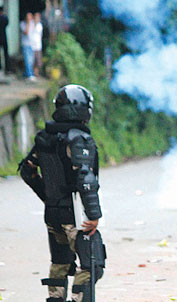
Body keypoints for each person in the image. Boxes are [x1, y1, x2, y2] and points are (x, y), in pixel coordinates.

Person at [19, 85, 106, 302]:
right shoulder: (78, 139)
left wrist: (49, 196)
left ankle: (56, 299)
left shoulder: (45, 137)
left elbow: (27, 171)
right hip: (74, 215)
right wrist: (94, 215)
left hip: (53, 214)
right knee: (92, 264)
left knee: (60, 262)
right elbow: (85, 178)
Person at [20, 12, 35, 81]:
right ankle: (29, 75)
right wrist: (28, 23)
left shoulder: (33, 23)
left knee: (31, 60)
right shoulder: (23, 24)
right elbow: (26, 32)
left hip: (32, 44)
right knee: (27, 60)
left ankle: (27, 73)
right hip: (25, 44)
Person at [32, 12, 43, 77]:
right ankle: (33, 73)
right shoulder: (31, 24)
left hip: (38, 45)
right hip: (32, 45)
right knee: (32, 60)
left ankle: (36, 73)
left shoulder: (40, 25)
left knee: (38, 60)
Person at [0, 6, 10, 74]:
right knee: (6, 54)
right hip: (4, 37)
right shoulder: (4, 18)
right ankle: (7, 68)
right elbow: (7, 23)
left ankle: (0, 67)